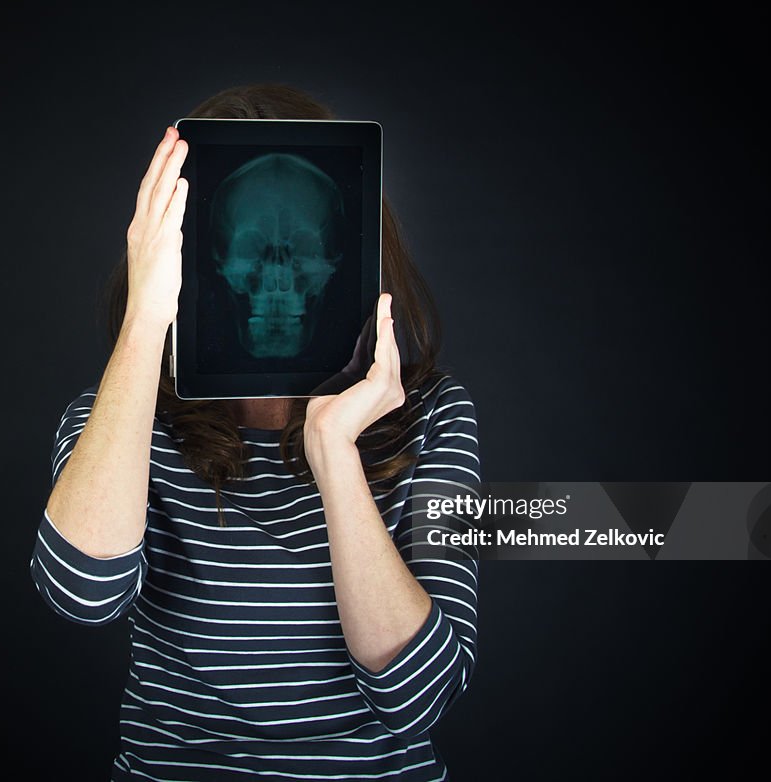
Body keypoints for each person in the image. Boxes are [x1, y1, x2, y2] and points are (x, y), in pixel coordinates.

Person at [29, 83, 482, 781]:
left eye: (302, 251)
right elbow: (82, 593)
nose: (276, 278)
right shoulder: (116, 420)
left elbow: (416, 696)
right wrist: (148, 319)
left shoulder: (433, 416)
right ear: (200, 261)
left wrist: (336, 457)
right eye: (247, 253)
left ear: (348, 256)